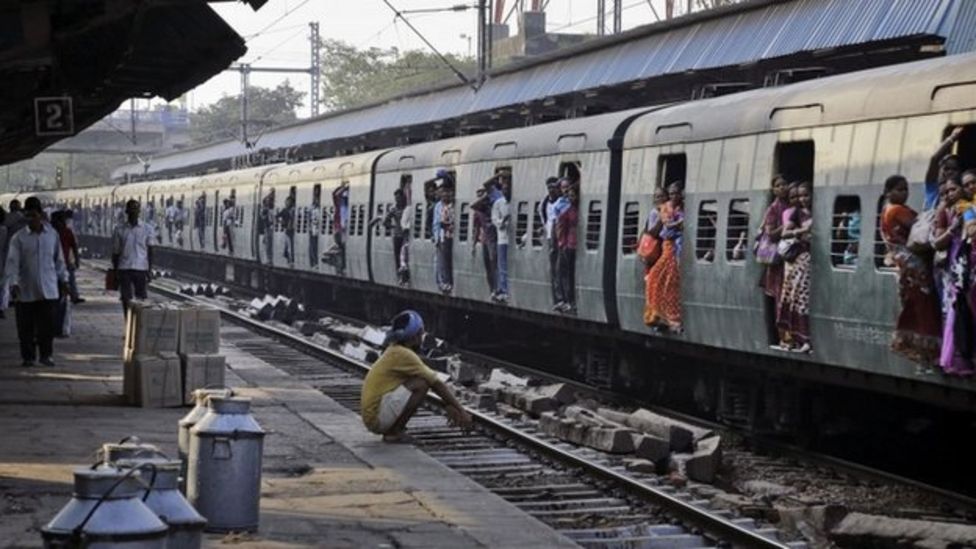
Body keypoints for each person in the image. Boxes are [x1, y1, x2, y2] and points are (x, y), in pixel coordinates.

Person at [360, 310, 472, 442]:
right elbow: (435, 383)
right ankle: (394, 432)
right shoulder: (403, 354)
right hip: (376, 418)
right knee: (421, 384)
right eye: (420, 333)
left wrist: (447, 405)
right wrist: (461, 411)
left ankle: (393, 429)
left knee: (420, 381)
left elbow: (433, 383)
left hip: (373, 415)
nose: (422, 337)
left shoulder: (395, 349)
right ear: (413, 336)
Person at [880, 175, 942, 366]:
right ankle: (928, 351)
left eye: (906, 189)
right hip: (914, 265)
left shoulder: (886, 210)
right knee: (924, 303)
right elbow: (920, 227)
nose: (904, 193)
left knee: (915, 304)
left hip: (904, 265)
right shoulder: (897, 211)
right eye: (899, 189)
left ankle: (920, 349)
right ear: (888, 192)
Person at [4, 200, 68, 367]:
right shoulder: (19, 238)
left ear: (41, 215)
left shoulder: (52, 235)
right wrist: (13, 283)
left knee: (46, 327)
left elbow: (59, 260)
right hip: (25, 289)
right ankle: (28, 356)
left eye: (34, 215)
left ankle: (46, 355)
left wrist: (64, 280)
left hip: (48, 288)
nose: (31, 218)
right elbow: (12, 263)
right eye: (28, 215)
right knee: (26, 328)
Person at [932, 176, 975, 374]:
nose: (950, 194)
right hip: (957, 264)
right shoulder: (955, 211)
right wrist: (953, 228)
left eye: (954, 189)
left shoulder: (966, 207)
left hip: (964, 261)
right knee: (956, 308)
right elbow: (937, 242)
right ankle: (956, 359)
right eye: (947, 191)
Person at [776, 182, 814, 353]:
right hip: (802, 259)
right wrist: (801, 231)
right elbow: (784, 233)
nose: (802, 199)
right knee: (800, 299)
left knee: (805, 300)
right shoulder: (796, 213)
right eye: (799, 196)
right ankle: (802, 339)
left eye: (806, 195)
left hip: (813, 260)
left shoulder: (818, 211)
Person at [645, 182, 685, 334]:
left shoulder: (682, 208)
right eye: (672, 193)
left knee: (672, 285)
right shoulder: (665, 208)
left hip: (680, 247)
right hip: (669, 248)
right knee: (656, 279)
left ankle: (673, 320)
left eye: (676, 193)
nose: (674, 196)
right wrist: (680, 223)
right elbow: (668, 226)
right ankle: (656, 316)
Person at [112, 200, 154, 313]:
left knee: (141, 299)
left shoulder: (147, 229)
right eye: (131, 211)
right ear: (127, 212)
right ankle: (128, 320)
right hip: (124, 268)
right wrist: (115, 271)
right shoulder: (119, 229)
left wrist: (149, 269)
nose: (133, 213)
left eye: (135, 211)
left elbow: (150, 250)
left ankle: (139, 322)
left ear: (139, 212)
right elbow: (115, 252)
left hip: (141, 268)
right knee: (126, 298)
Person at [642, 187, 669, 324]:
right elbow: (651, 233)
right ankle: (652, 317)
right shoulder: (654, 213)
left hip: (664, 252)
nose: (660, 199)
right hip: (654, 255)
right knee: (653, 286)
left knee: (662, 286)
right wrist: (661, 219)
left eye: (662, 196)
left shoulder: (668, 211)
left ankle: (661, 316)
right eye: (657, 197)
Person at [923, 127, 964, 210]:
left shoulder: (963, 189)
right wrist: (952, 138)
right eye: (946, 168)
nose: (950, 172)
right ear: (940, 169)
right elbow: (934, 159)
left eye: (954, 169)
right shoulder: (933, 187)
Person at [554, 182, 579, 314]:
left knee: (569, 274)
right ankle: (568, 300)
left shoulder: (574, 209)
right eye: (570, 196)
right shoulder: (566, 211)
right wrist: (561, 244)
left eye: (573, 195)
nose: (571, 198)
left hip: (573, 245)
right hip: (568, 245)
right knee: (566, 274)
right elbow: (559, 228)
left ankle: (570, 300)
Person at [491, 173, 512, 303]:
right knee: (502, 265)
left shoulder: (512, 203)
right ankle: (503, 289)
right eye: (503, 189)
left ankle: (505, 289)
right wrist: (502, 223)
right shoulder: (498, 203)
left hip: (512, 239)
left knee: (506, 266)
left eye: (507, 189)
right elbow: (494, 219)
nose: (506, 191)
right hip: (502, 238)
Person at [56, 210, 84, 304]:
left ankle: (73, 296)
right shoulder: (51, 233)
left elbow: (74, 246)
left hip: (65, 260)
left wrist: (76, 259)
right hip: (56, 261)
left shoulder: (67, 232)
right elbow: (74, 246)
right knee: (69, 278)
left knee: (70, 278)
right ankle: (71, 296)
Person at [434, 183, 455, 294]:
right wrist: (436, 237)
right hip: (443, 236)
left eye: (447, 193)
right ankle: (444, 282)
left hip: (450, 236)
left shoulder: (451, 206)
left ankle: (448, 282)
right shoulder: (439, 206)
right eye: (444, 193)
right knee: (443, 261)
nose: (446, 195)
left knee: (447, 261)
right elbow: (437, 223)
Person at [277, 194, 296, 266]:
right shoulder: (284, 210)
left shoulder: (293, 210)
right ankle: (289, 259)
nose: (287, 203)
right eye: (287, 202)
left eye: (289, 202)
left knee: (289, 246)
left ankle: (290, 259)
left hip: (292, 229)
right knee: (288, 245)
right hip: (287, 230)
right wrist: (281, 222)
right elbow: (277, 216)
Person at [308, 188, 321, 268]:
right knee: (313, 247)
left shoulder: (319, 208)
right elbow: (309, 218)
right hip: (313, 229)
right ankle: (314, 262)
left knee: (315, 246)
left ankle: (316, 261)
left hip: (317, 229)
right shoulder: (312, 208)